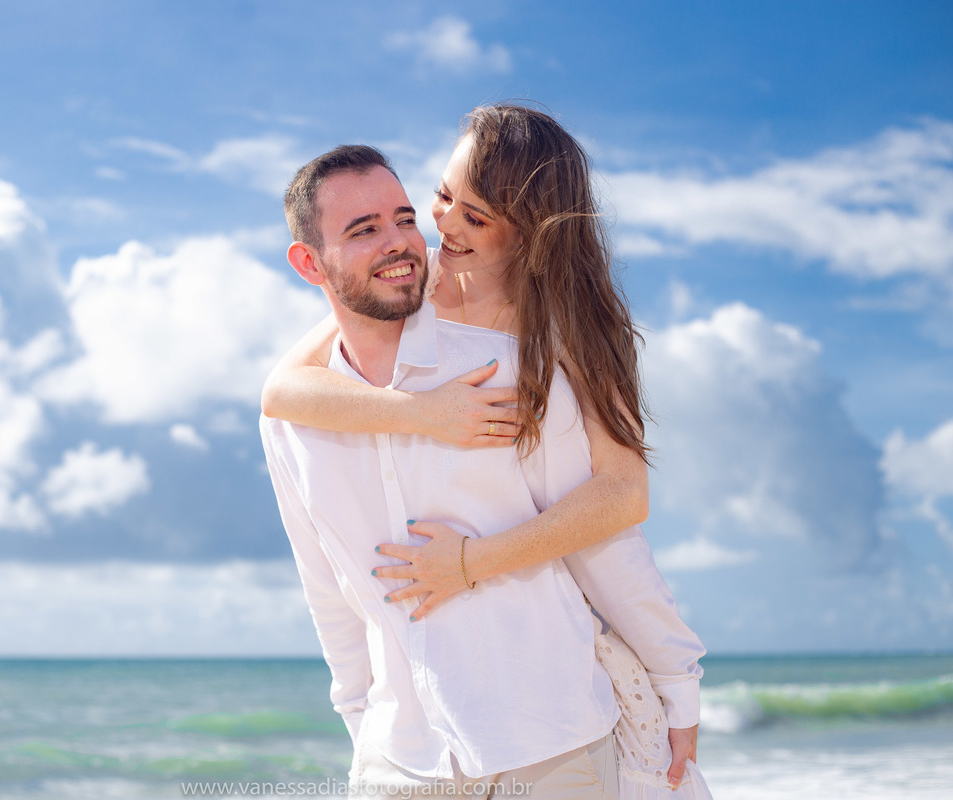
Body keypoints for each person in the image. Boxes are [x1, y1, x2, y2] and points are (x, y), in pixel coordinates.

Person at [262, 106, 712, 797]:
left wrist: (472, 563)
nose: (443, 227)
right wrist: (425, 416)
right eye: (442, 198)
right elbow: (283, 393)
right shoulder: (420, 288)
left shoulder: (562, 337)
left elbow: (621, 501)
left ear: (529, 231)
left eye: (476, 217)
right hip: (411, 755)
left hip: (548, 724)